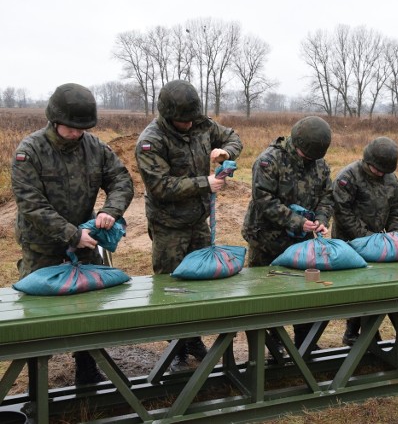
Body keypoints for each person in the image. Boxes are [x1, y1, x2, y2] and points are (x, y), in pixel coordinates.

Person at [11, 83, 134, 385]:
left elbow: (121, 180)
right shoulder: (30, 151)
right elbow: (31, 204)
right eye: (71, 128)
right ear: (55, 120)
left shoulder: (95, 148)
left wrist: (110, 211)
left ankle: (88, 370)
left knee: (90, 312)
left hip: (86, 242)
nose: (77, 133)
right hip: (42, 248)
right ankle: (37, 382)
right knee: (38, 317)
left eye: (83, 128)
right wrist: (70, 235)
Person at [135, 79, 242, 370]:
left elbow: (233, 137)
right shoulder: (151, 140)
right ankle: (176, 348)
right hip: (169, 226)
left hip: (198, 222)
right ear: (169, 116)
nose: (187, 125)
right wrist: (204, 183)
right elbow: (160, 186)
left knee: (198, 283)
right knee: (172, 287)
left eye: (190, 120)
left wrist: (226, 153)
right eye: (182, 121)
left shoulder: (202, 125)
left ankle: (192, 339)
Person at [242, 115, 333, 351]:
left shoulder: (320, 165)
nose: (310, 160)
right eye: (306, 156)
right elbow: (263, 199)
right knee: (265, 295)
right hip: (266, 240)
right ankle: (271, 346)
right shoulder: (269, 161)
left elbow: (327, 196)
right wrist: (296, 221)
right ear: (297, 143)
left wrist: (322, 219)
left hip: (300, 244)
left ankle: (305, 344)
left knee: (305, 294)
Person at [332, 136, 398, 345]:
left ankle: (366, 330)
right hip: (349, 242)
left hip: (379, 242)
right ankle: (354, 332)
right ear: (367, 161)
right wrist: (367, 239)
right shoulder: (348, 177)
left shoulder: (391, 179)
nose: (380, 174)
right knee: (357, 288)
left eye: (384, 171)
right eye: (377, 170)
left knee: (376, 286)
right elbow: (342, 213)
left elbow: (397, 210)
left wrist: (395, 237)